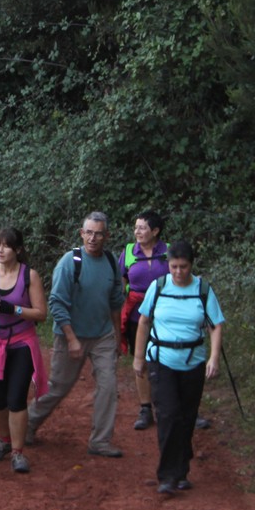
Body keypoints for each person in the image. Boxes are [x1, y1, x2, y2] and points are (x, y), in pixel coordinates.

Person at [26, 211, 126, 458]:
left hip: (102, 335)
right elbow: (57, 303)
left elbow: (116, 301)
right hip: (70, 333)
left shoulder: (111, 261)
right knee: (58, 387)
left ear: (106, 236)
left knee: (108, 386)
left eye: (98, 234)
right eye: (88, 232)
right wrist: (71, 339)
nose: (93, 238)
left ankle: (100, 441)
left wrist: (117, 335)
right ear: (81, 233)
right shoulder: (70, 262)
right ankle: (26, 424)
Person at [131, 240, 225, 495]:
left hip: (193, 362)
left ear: (191, 265)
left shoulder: (203, 289)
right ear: (168, 265)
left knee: (186, 416)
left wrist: (214, 358)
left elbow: (216, 325)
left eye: (183, 267)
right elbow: (144, 321)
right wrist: (138, 357)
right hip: (161, 360)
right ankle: (168, 476)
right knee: (168, 415)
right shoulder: (158, 287)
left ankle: (181, 471)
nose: (178, 272)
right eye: (174, 267)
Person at [0, 228, 48, 474]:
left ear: (18, 249)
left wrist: (13, 309)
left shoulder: (29, 276)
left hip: (22, 343)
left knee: (16, 398)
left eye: (6, 246)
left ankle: (17, 451)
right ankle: (4, 440)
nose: (0, 250)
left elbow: (41, 314)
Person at [122, 210, 170, 431]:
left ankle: (172, 406)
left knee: (168, 359)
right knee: (140, 358)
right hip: (136, 314)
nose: (137, 232)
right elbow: (121, 281)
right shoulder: (129, 252)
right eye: (136, 228)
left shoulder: (168, 252)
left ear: (155, 231)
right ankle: (145, 408)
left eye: (142, 228)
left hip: (166, 313)